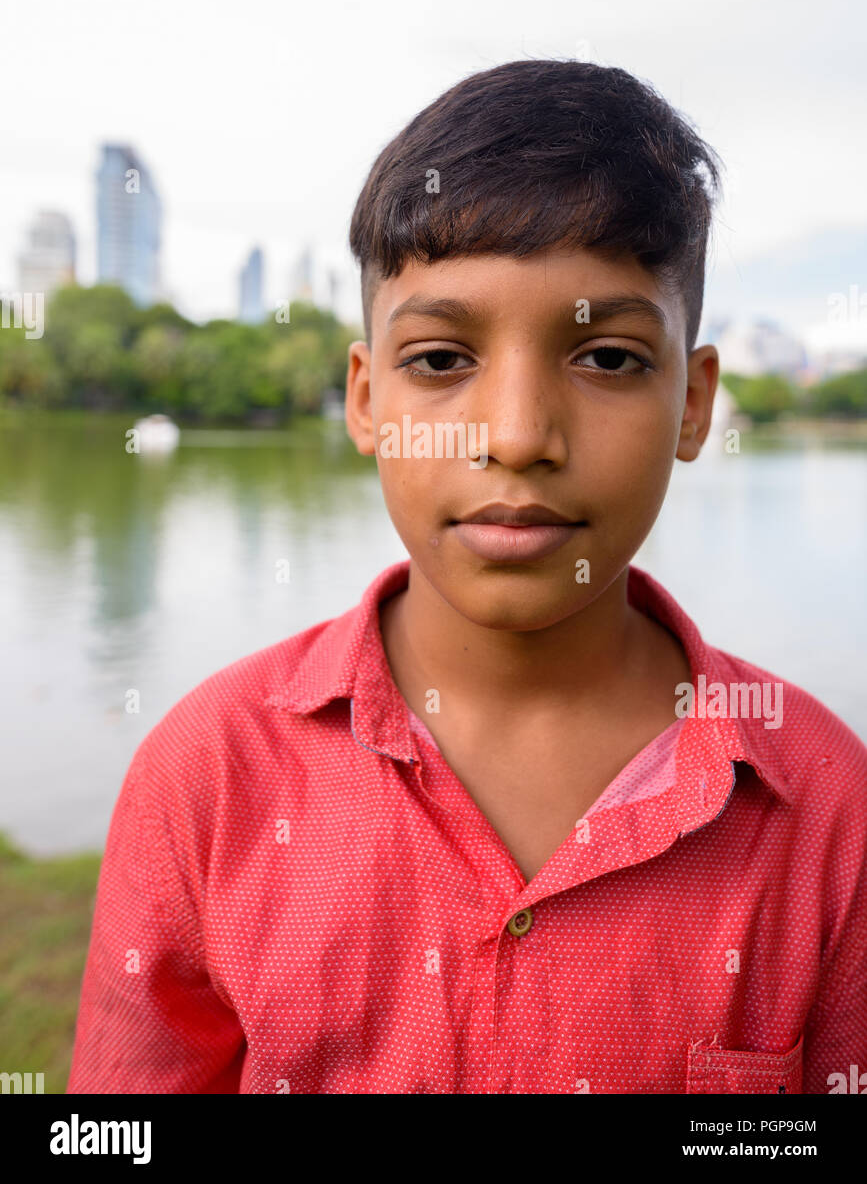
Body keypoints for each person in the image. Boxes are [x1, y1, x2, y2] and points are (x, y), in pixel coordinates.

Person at [67, 60, 867, 1095]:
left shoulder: (826, 806)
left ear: (693, 404)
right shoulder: (205, 779)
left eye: (610, 358)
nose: (520, 436)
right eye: (442, 360)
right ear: (365, 399)